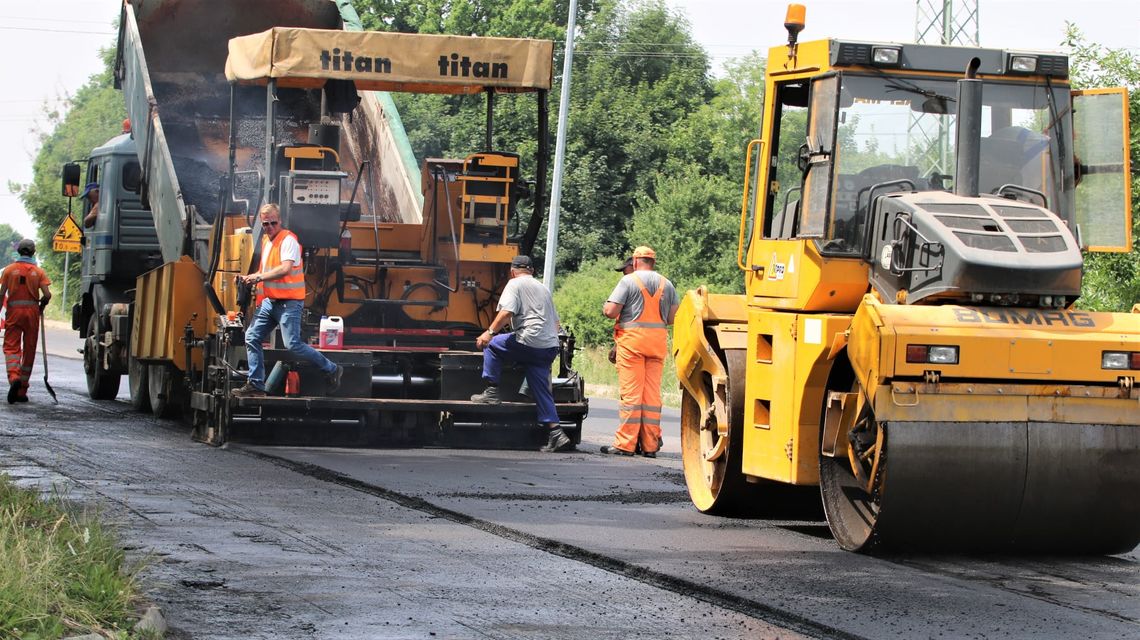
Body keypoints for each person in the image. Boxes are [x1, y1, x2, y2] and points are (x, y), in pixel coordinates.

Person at [234, 203, 341, 397]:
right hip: (271, 302)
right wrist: (249, 277)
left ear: (280, 221)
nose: (269, 227)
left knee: (293, 344)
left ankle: (331, 368)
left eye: (273, 223)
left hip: (289, 303)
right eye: (266, 224)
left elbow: (285, 269)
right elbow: (266, 272)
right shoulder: (267, 243)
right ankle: (256, 385)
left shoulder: (288, 240)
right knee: (251, 337)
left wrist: (258, 277)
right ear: (261, 223)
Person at [470, 255, 571, 453]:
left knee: (492, 345)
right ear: (532, 271)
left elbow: (507, 312)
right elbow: (556, 323)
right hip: (549, 347)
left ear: (512, 271)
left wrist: (489, 333)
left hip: (529, 341)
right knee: (541, 390)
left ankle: (491, 392)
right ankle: (557, 433)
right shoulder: (543, 288)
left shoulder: (514, 284)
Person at [601, 246, 679, 458]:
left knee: (631, 395)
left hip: (632, 345)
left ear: (635, 262)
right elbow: (672, 318)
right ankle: (650, 445)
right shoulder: (667, 284)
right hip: (657, 345)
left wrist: (606, 305)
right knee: (651, 396)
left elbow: (610, 311)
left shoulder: (629, 281)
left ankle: (625, 444)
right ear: (653, 262)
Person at [0, 239, 52, 403]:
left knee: (11, 347)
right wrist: (42, 304)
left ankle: (14, 377)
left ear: (19, 251)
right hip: (32, 315)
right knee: (29, 349)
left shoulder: (8, 270)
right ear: (33, 252)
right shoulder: (38, 272)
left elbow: (2, 294)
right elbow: (48, 294)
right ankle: (21, 390)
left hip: (14, 313)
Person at [607, 258, 634, 365]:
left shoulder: (629, 285)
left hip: (631, 346)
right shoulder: (658, 284)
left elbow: (609, 312)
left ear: (634, 266)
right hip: (654, 346)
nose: (624, 275)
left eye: (625, 271)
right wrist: (616, 346)